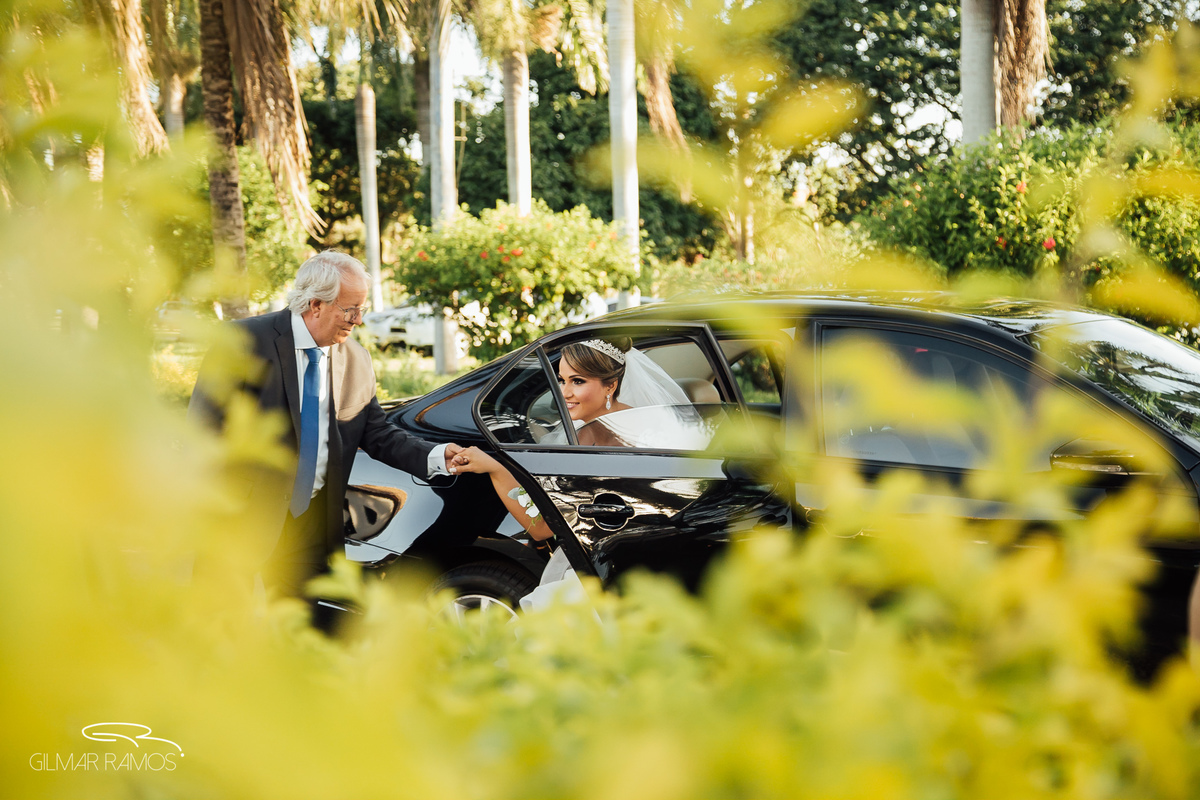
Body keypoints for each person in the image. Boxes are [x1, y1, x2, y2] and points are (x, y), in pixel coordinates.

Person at [189, 251, 463, 596]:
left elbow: (377, 432)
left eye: (362, 309)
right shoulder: (242, 342)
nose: (358, 320)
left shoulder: (357, 359)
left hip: (312, 526)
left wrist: (437, 456)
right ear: (316, 304)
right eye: (350, 309)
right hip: (240, 520)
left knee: (305, 624)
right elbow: (203, 429)